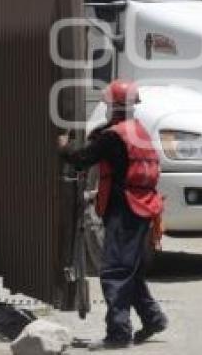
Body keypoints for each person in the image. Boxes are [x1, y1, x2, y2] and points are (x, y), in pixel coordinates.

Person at [58, 80, 168, 350]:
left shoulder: (112, 136)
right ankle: (153, 319)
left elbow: (82, 159)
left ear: (111, 105)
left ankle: (118, 334)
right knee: (131, 272)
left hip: (125, 209)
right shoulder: (139, 131)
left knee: (115, 272)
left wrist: (63, 147)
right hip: (146, 208)